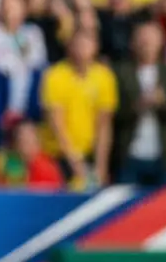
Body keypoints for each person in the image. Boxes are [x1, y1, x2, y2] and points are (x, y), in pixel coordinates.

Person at [40, 28, 118, 189]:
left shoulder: (104, 77)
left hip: (89, 153)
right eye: (77, 44)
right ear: (69, 47)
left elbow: (104, 124)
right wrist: (74, 160)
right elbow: (57, 123)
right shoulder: (55, 75)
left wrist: (101, 164)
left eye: (86, 44)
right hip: (59, 155)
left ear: (95, 47)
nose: (82, 49)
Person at [114, 21, 166, 185]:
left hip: (163, 156)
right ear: (133, 42)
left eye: (151, 39)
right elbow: (114, 113)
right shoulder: (122, 72)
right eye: (142, 39)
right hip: (130, 155)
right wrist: (139, 105)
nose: (146, 44)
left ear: (160, 42)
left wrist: (162, 103)